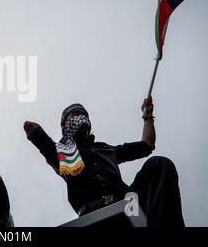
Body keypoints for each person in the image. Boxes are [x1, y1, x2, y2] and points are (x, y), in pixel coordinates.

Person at [23, 97, 184, 227]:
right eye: (76, 114)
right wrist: (66, 135)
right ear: (65, 123)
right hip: (91, 212)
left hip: (127, 204)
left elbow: (147, 144)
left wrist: (147, 115)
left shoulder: (107, 149)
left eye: (85, 115)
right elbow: (30, 127)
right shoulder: (62, 153)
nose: (82, 118)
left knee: (158, 164)